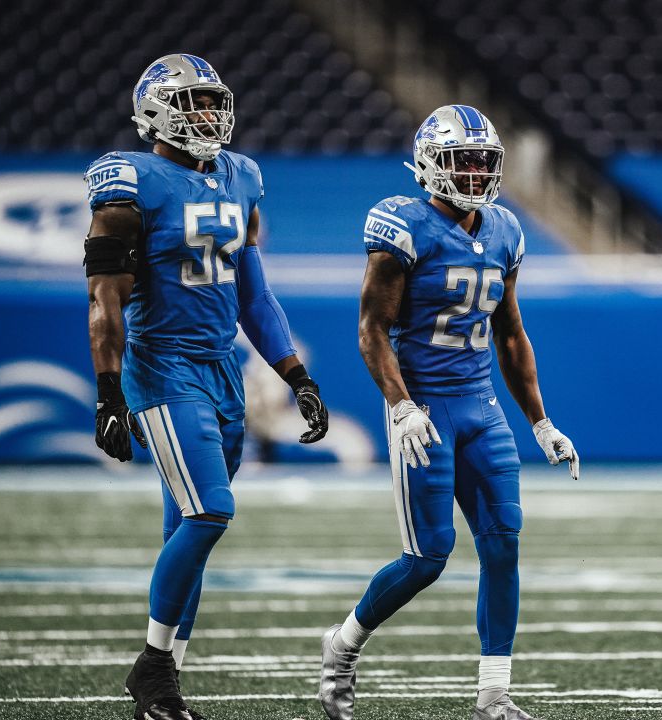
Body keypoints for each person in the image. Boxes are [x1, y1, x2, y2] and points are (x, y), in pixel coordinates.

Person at [84, 53, 329, 720]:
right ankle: (154, 667)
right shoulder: (131, 181)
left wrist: (294, 374)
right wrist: (109, 392)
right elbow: (106, 300)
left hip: (223, 371)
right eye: (191, 103)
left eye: (211, 100)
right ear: (156, 112)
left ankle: (164, 696)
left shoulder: (241, 176)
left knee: (182, 530)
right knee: (209, 512)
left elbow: (254, 293)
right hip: (164, 368)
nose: (207, 115)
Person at [317, 105, 579, 720]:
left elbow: (511, 334)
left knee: (503, 544)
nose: (477, 173)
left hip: (481, 406)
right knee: (427, 557)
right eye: (465, 160)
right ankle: (343, 645)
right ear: (430, 162)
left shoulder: (505, 230)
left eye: (486, 161)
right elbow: (372, 329)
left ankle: (493, 695)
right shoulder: (402, 226)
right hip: (424, 409)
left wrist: (540, 420)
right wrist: (401, 405)